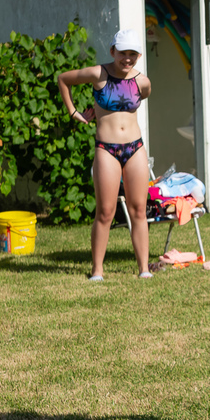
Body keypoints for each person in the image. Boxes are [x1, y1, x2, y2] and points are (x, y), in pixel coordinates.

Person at [57, 28, 152, 280]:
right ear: (112, 51)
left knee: (138, 210)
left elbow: (139, 100)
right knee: (105, 212)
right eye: (122, 53)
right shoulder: (98, 73)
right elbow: (63, 79)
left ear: (139, 56)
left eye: (132, 54)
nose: (127, 58)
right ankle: (97, 270)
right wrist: (73, 112)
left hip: (135, 148)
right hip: (106, 149)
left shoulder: (143, 82)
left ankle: (144, 269)